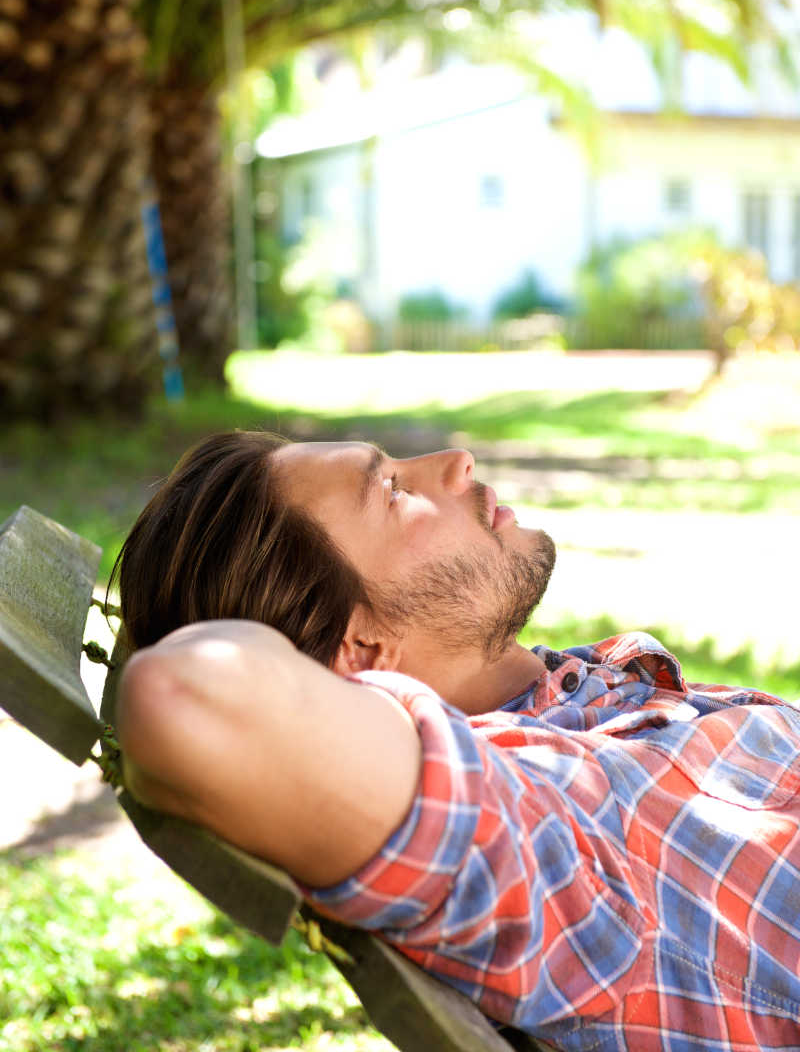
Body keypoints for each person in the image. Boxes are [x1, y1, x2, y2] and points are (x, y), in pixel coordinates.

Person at [115, 430, 800, 1052]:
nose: (456, 462)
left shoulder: (582, 715)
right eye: (390, 490)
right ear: (361, 648)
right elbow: (184, 695)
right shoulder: (541, 829)